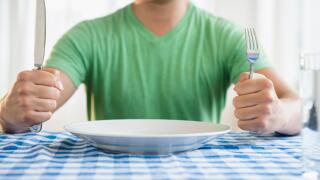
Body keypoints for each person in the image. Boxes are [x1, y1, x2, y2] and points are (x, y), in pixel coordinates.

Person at [0, 0, 301, 135]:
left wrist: (278, 113)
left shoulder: (229, 36)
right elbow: (37, 101)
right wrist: (10, 112)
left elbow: (293, 106)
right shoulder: (87, 36)